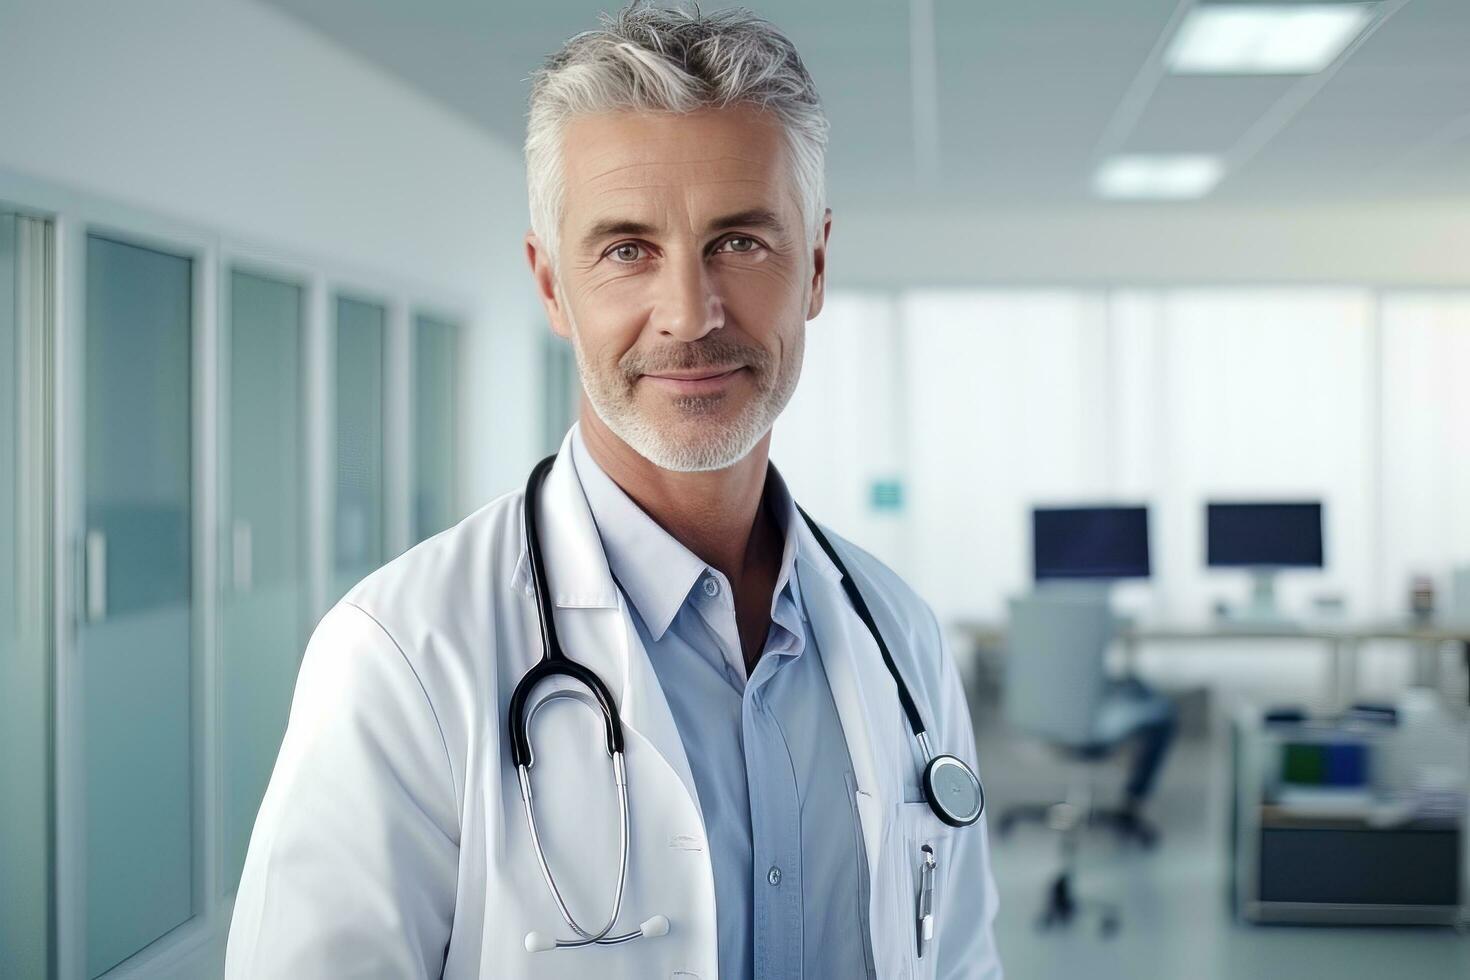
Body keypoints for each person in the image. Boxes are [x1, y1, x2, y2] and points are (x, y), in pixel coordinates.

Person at [224, 4, 1001, 978]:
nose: (690, 313)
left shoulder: (901, 637)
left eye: (741, 242)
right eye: (627, 249)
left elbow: (962, 957)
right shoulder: (402, 657)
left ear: (815, 265)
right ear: (551, 286)